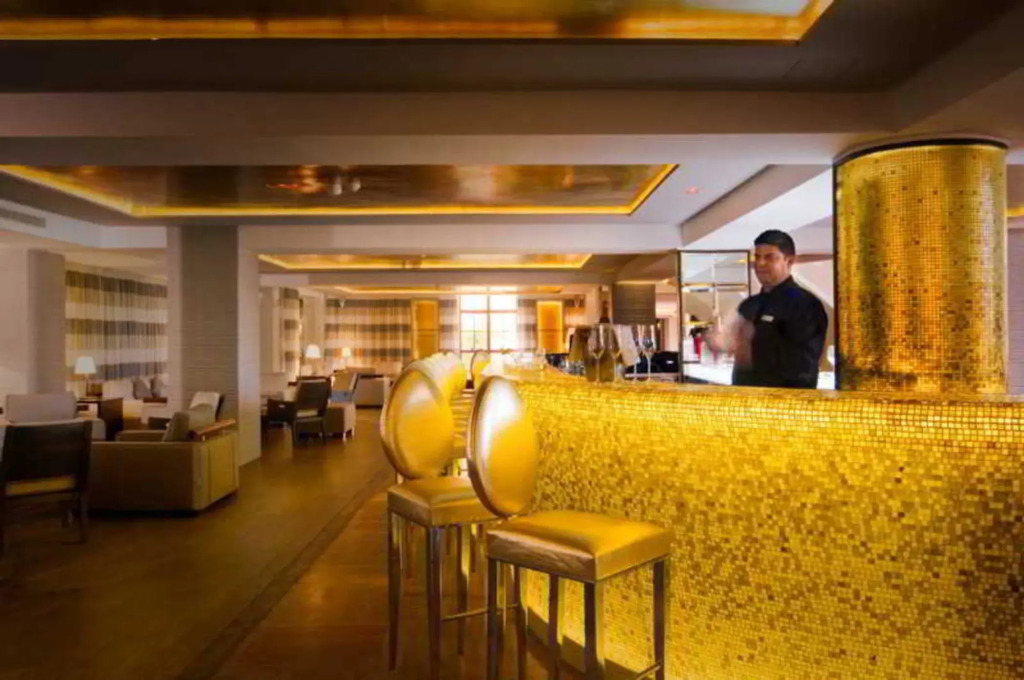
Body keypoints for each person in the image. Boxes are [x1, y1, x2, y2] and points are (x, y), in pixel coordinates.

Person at [709, 230, 828, 389]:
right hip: (744, 397)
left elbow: (803, 367)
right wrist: (723, 344)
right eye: (757, 257)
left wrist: (751, 348)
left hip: (784, 400)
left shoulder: (805, 304)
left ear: (789, 260)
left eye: (769, 257)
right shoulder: (749, 305)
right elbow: (735, 348)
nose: (760, 263)